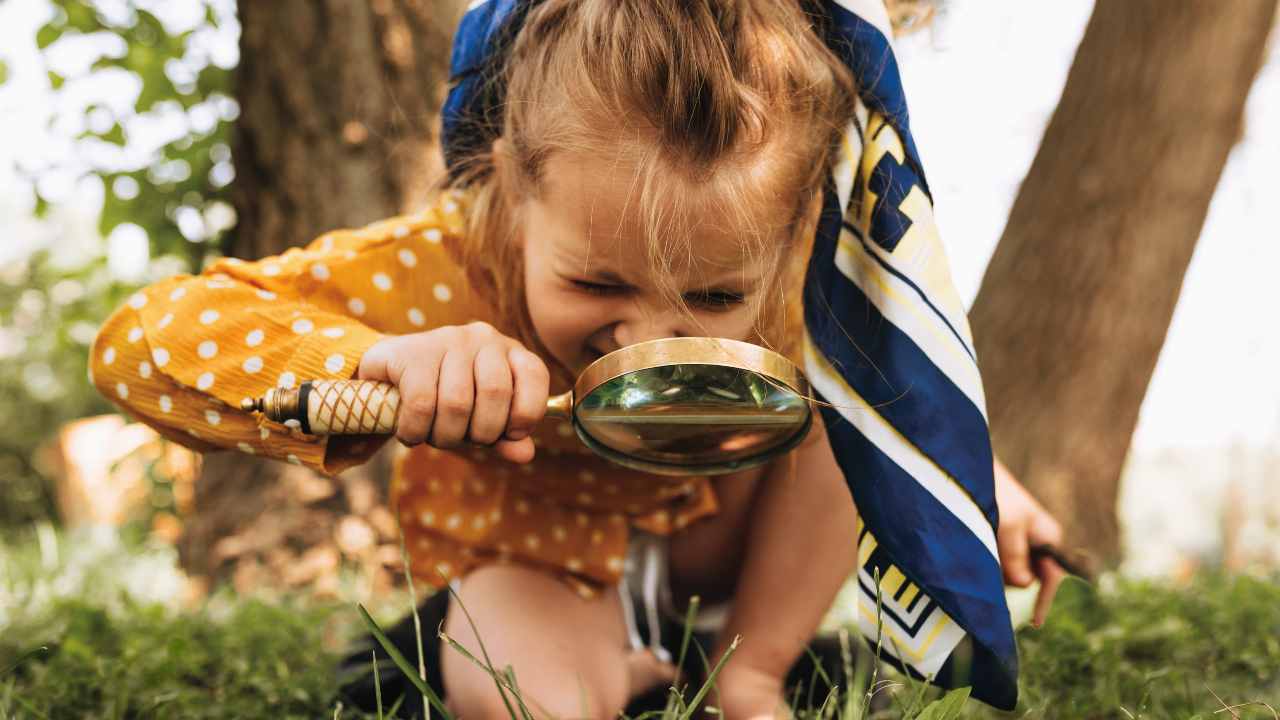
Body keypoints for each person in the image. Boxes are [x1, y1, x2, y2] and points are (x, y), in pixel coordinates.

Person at [89, 1, 1064, 717]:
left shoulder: (808, 266)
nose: (649, 339)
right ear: (511, 186)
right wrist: (379, 356)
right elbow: (140, 347)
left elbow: (886, 394)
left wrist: (976, 480)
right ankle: (605, 681)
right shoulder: (447, 263)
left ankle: (752, 674)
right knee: (525, 680)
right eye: (598, 286)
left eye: (715, 296)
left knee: (849, 392)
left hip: (712, 568)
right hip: (538, 577)